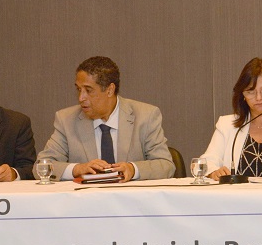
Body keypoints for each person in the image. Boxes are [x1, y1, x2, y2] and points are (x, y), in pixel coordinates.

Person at [36, 56, 174, 182]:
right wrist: (77, 169)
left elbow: (165, 165)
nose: (81, 98)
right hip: (86, 199)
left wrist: (133, 169)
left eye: (88, 90)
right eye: (78, 89)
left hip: (131, 199)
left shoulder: (146, 116)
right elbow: (41, 166)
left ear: (110, 90)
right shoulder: (66, 120)